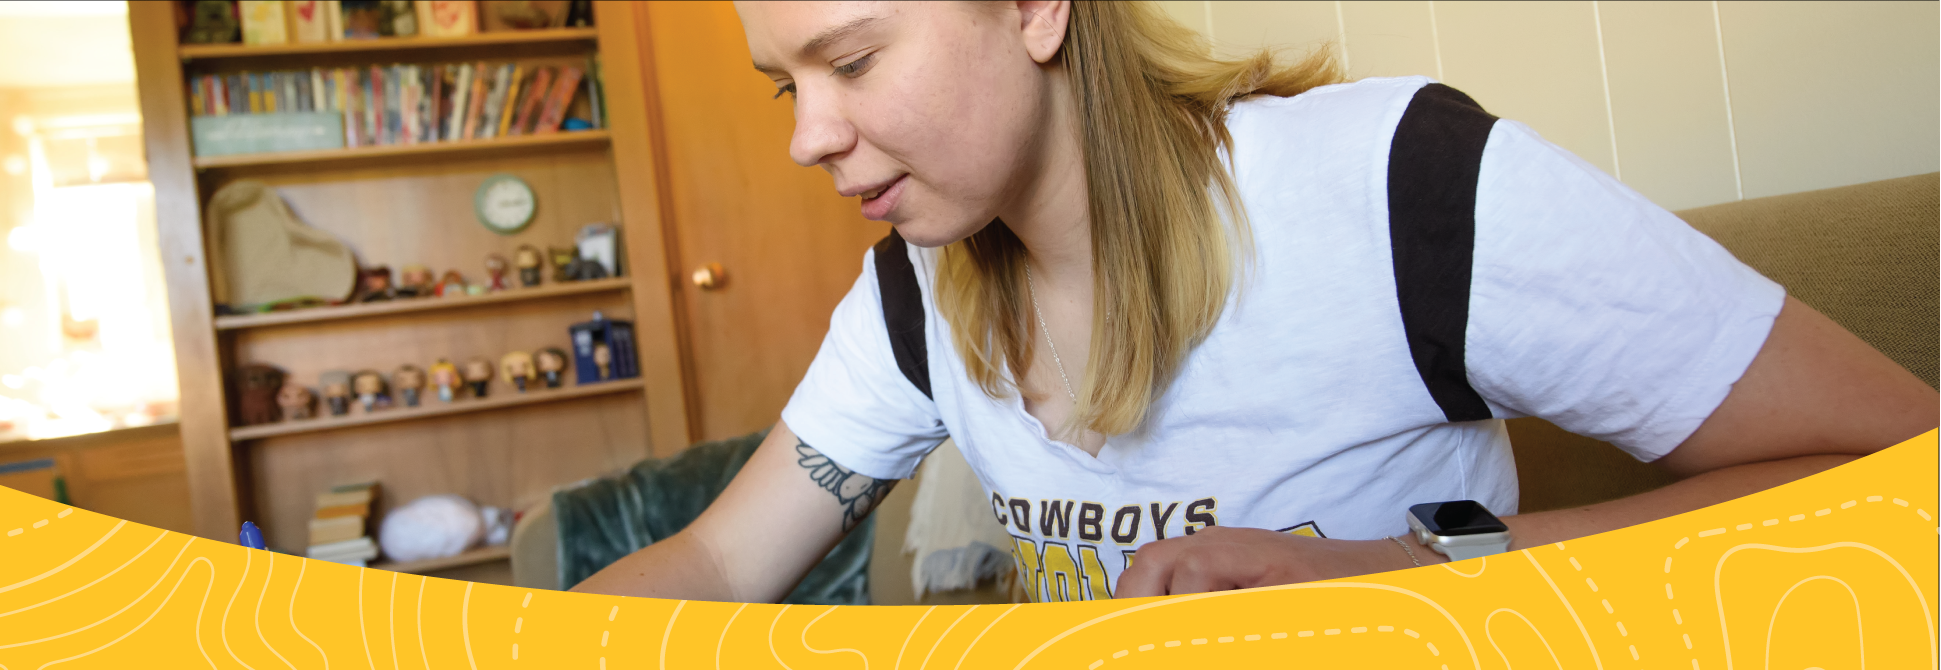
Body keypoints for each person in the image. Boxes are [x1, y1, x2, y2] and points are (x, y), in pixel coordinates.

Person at [572, 1, 1938, 602]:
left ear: (1034, 5)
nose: (805, 136)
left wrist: (1399, 570)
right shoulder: (910, 291)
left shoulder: (1406, 188)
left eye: (852, 61)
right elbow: (709, 566)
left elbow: (1900, 468)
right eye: (781, 85)